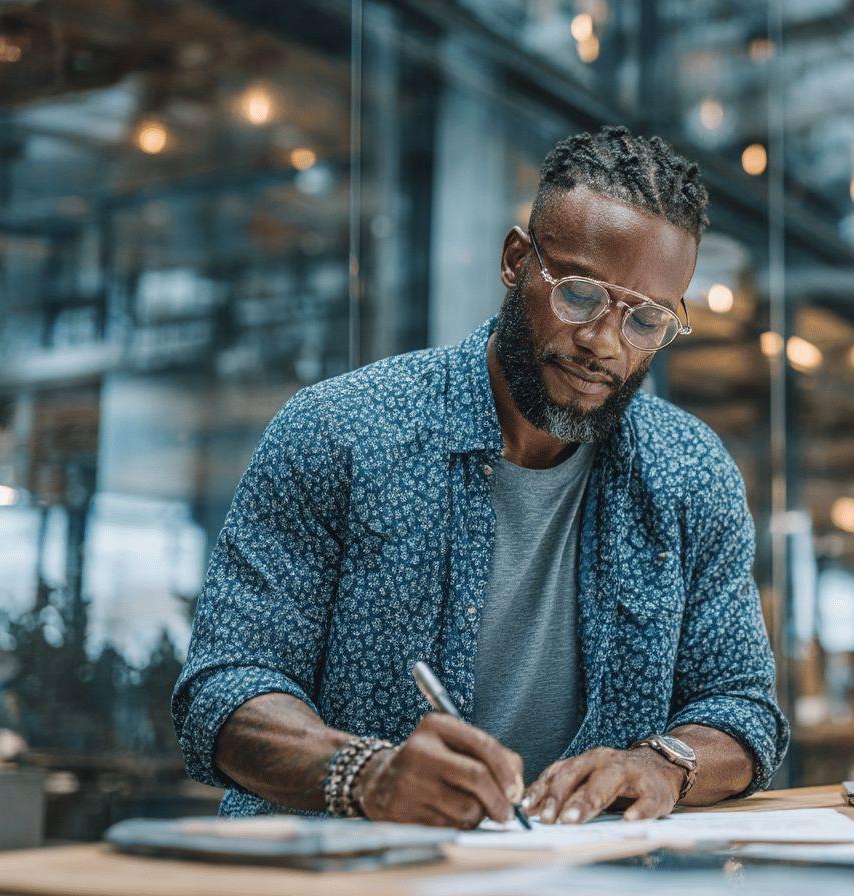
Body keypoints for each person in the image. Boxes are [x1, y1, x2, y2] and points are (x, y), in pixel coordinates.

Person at [172, 125, 788, 828]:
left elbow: (741, 709)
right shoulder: (340, 431)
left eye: (645, 319)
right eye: (581, 295)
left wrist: (664, 763)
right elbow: (224, 690)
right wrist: (365, 775)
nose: (604, 343)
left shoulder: (689, 472)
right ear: (515, 260)